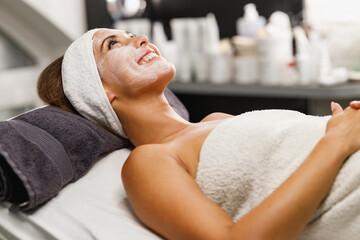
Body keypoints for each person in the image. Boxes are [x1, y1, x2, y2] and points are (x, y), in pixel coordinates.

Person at [37, 28, 360, 240]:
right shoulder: (151, 161)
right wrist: (335, 143)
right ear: (99, 90)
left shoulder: (217, 119)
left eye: (132, 34)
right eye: (113, 44)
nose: (140, 39)